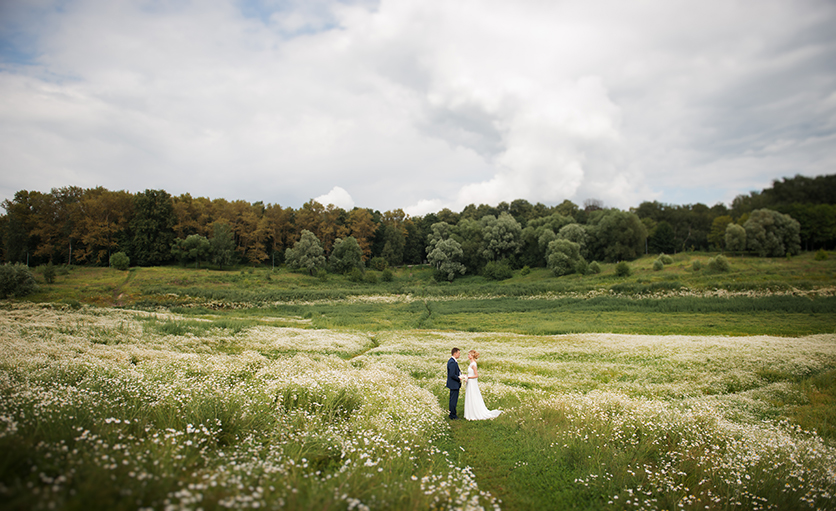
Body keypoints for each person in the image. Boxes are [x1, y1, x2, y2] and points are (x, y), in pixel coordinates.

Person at [464, 350, 501, 421]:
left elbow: (476, 375)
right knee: (470, 396)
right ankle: (470, 413)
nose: (468, 356)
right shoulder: (471, 363)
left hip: (472, 382)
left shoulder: (473, 364)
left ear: (472, 356)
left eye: (469, 355)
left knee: (473, 395)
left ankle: (474, 413)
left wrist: (468, 377)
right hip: (470, 382)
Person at [446, 347, 465, 419]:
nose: (459, 355)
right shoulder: (451, 362)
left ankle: (452, 414)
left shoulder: (453, 361)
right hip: (454, 384)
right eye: (459, 353)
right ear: (455, 353)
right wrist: (459, 378)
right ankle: (453, 415)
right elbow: (452, 374)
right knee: (453, 400)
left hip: (454, 384)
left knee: (453, 399)